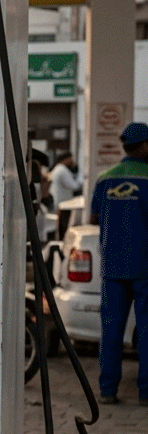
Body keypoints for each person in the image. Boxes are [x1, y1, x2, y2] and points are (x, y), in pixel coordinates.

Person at [89, 122, 148, 406]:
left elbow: (93, 218)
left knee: (111, 331)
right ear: (145, 146)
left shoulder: (105, 178)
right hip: (145, 267)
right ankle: (146, 392)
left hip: (112, 266)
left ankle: (107, 391)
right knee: (146, 330)